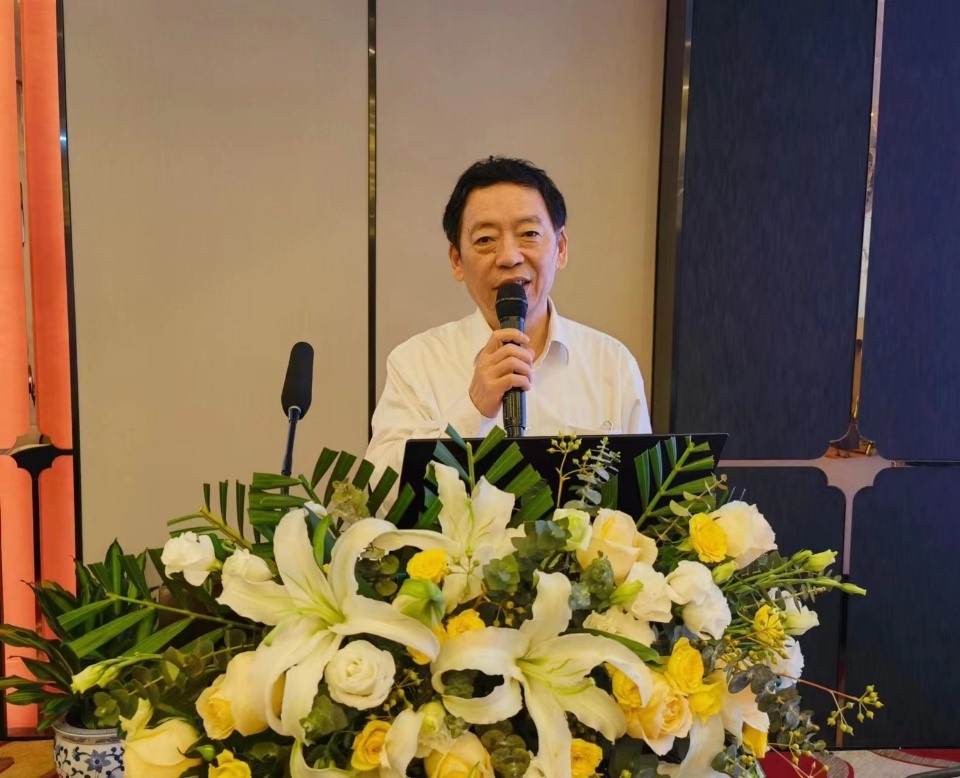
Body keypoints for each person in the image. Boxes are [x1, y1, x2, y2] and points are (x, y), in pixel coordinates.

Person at [365, 156, 651, 482]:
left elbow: (645, 493)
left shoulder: (612, 364)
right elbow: (380, 491)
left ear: (560, 248)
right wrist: (473, 410)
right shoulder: (415, 363)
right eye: (485, 239)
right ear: (457, 260)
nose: (509, 257)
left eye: (529, 233)